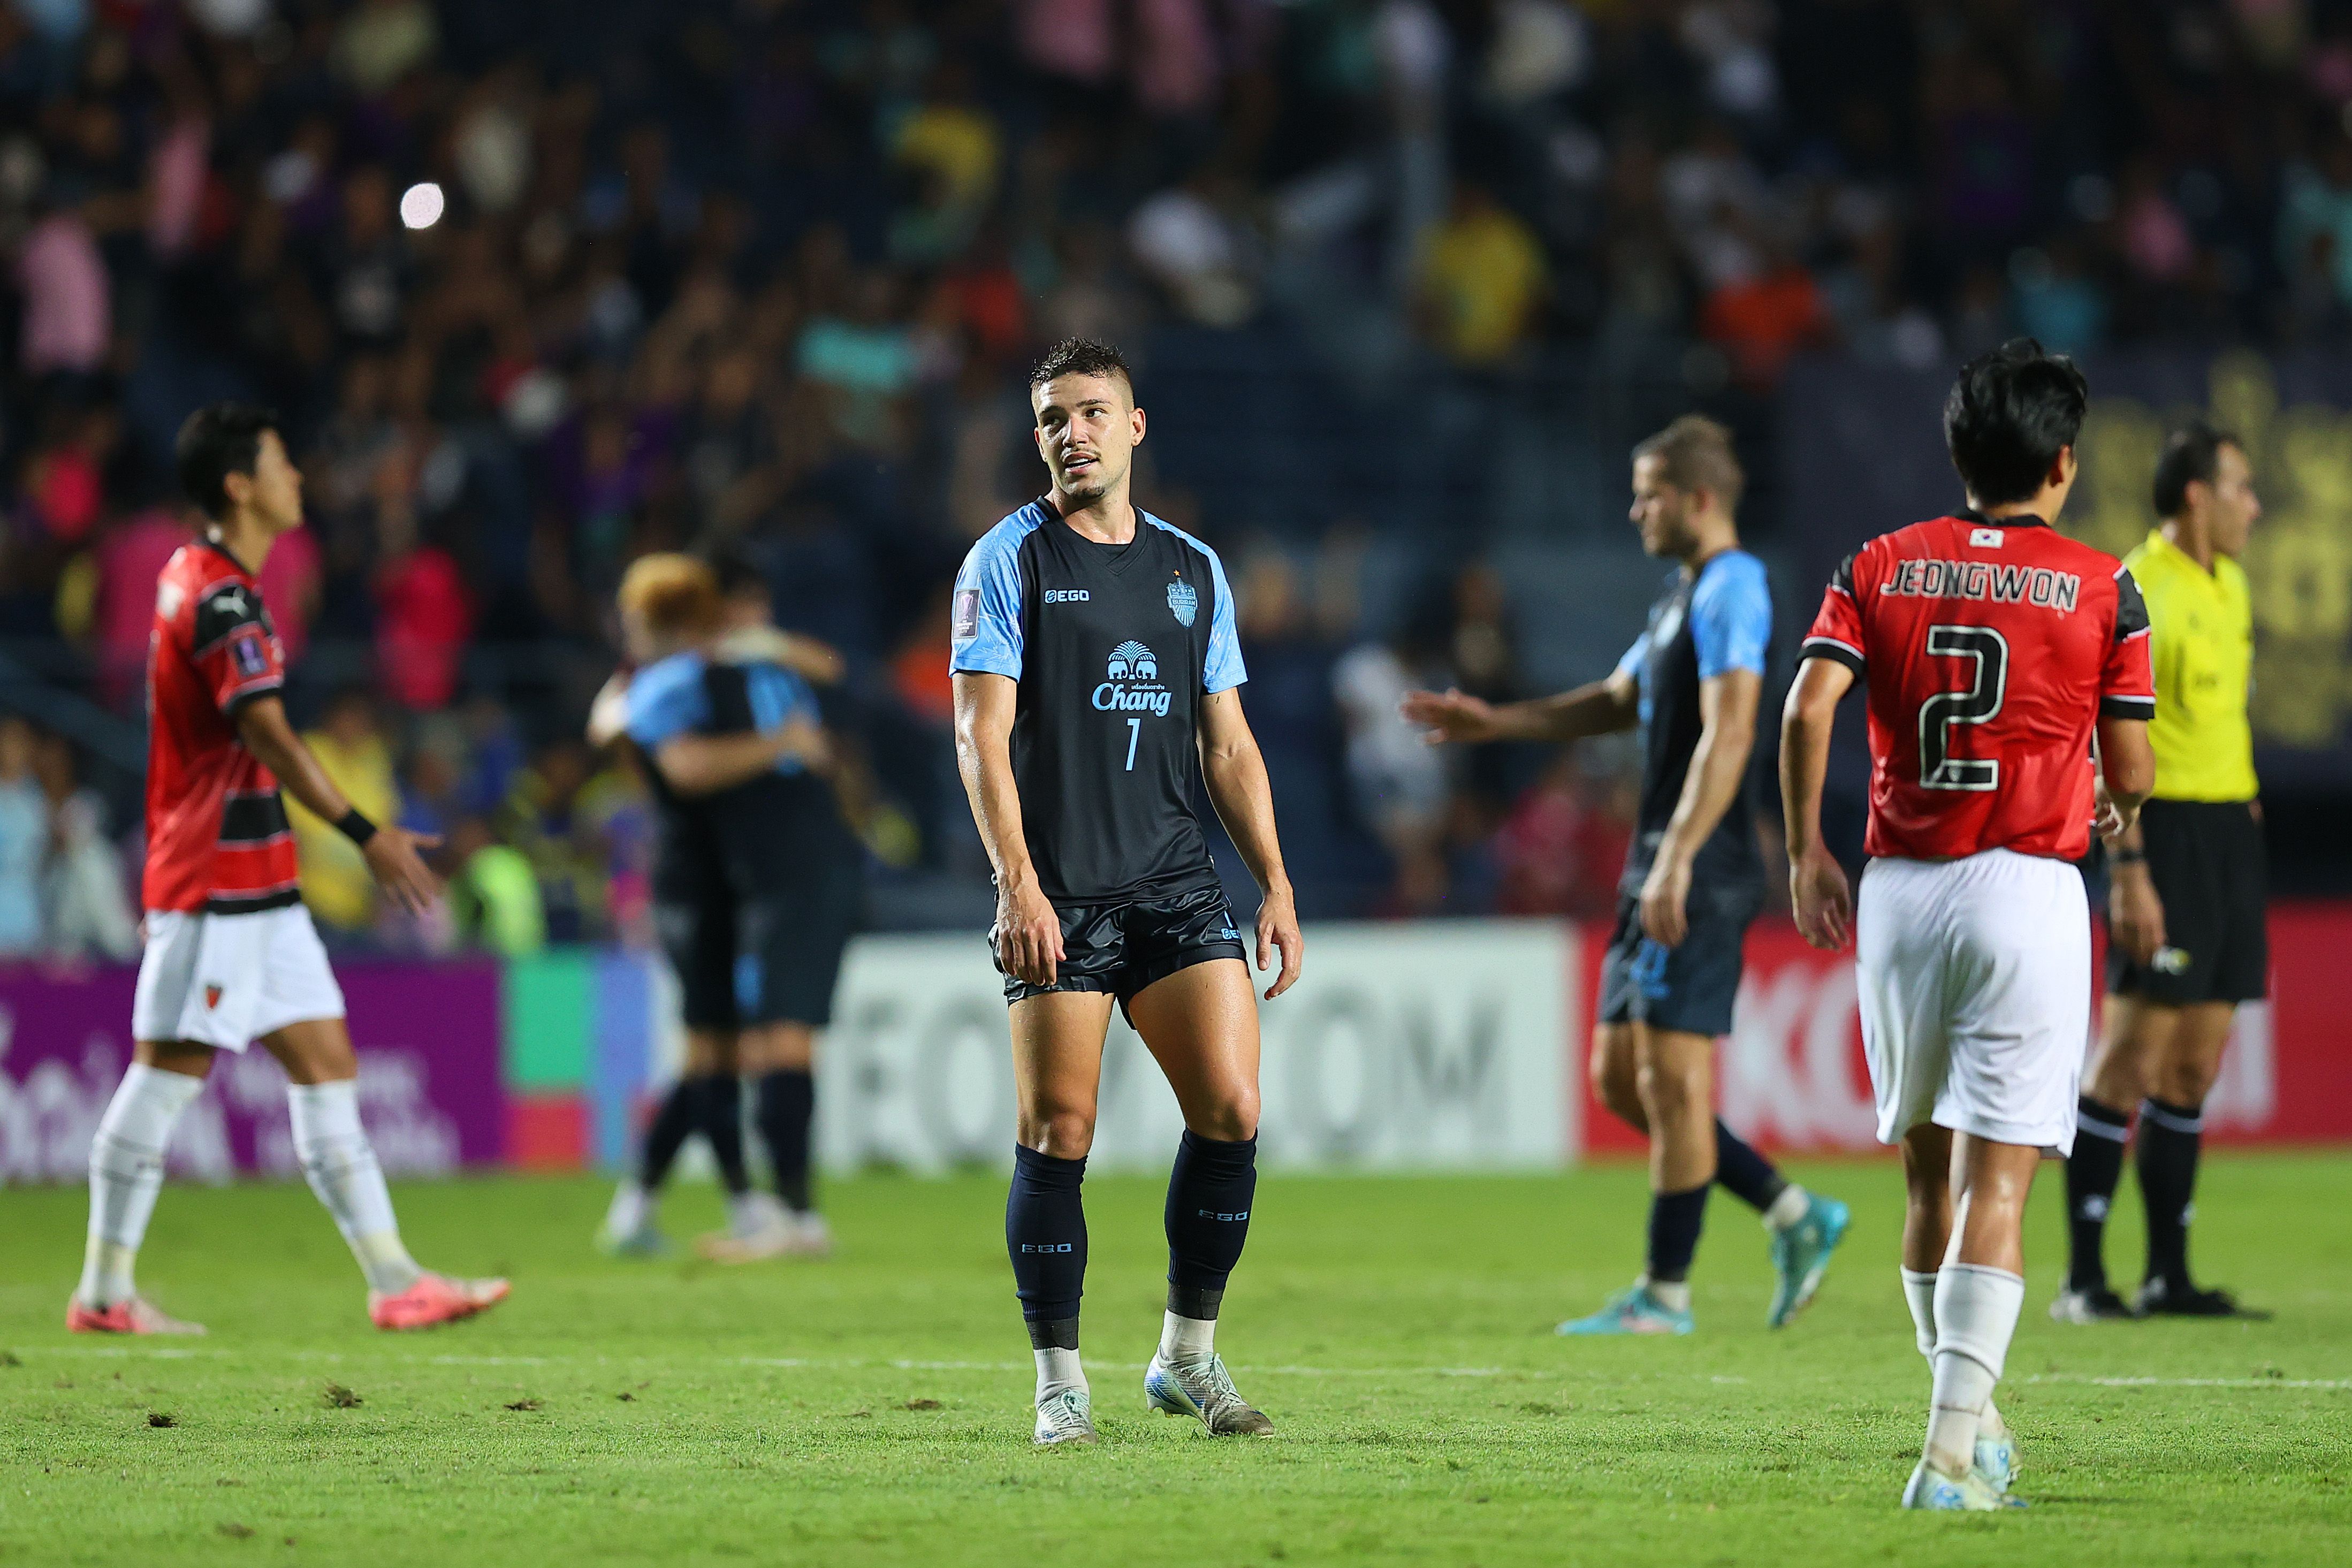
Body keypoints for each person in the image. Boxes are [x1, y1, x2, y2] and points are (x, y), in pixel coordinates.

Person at [1780, 340, 2157, 1510]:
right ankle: (1945, 1459)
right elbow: (2132, 762)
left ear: (1957, 454)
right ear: (2060, 462)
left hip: (1897, 889)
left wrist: (1804, 847)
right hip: (2021, 890)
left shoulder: (1876, 562)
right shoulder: (2104, 584)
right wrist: (2115, 791)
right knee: (2001, 1183)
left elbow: (1809, 703)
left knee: (1925, 1182)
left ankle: (1975, 1418)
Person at [70, 403, 508, 1336]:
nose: (297, 479)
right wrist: (364, 829)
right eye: (280, 464)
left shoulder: (210, 580)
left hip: (261, 885)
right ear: (239, 483)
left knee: (326, 1066)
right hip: (216, 881)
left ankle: (395, 1279)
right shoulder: (219, 596)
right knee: (166, 1076)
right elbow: (263, 729)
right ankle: (105, 1289)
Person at [1404, 416, 1848, 1335]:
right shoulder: (1679, 597)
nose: (1635, 507)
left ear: (1700, 498)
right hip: (1660, 855)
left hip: (1704, 858)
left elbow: (1731, 733)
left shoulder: (1736, 589)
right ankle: (1795, 1212)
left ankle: (1666, 1293)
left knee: (1677, 1083)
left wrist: (1681, 855)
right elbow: (1615, 701)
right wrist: (1498, 723)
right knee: (1619, 1080)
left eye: (1649, 491)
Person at [950, 337, 1303, 1447]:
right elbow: (979, 734)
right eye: (1053, 418)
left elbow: (1229, 747)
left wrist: (1276, 885)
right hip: (1059, 887)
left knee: (1233, 1110)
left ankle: (1184, 1357)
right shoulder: (1005, 561)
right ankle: (1059, 1380)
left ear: (1134, 426)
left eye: (1092, 412)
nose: (1073, 434)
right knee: (1059, 1127)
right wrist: (1017, 885)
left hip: (1174, 880)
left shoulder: (1192, 570)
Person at [2056, 421, 2271, 1323]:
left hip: (2228, 832)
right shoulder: (2138, 587)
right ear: (2196, 493)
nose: (2253, 506)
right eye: (2242, 488)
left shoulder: (2233, 586)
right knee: (2130, 1060)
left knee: (2195, 1065)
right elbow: (2107, 746)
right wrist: (2131, 868)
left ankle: (2168, 1276)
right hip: (2164, 833)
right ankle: (2084, 1280)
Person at [589, 552, 851, 1263]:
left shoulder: (699, 675)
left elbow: (651, 743)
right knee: (720, 1049)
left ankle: (745, 1208)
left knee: (728, 1049)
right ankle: (745, 1203)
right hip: (712, 881)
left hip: (734, 880)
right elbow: (622, 731)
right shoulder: (696, 677)